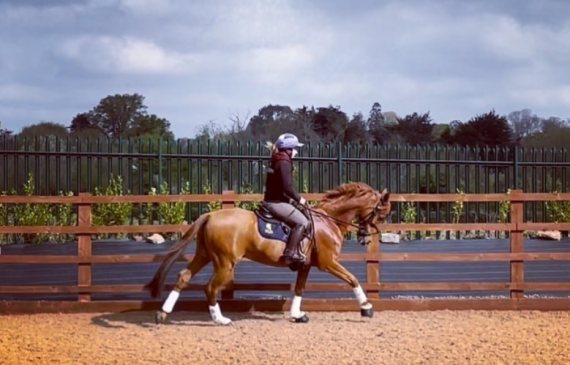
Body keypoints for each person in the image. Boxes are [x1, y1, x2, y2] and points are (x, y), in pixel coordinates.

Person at [263, 133, 310, 266]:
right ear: (288, 149)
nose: (296, 151)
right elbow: (287, 187)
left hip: (277, 199)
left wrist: (291, 201)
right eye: (295, 148)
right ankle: (290, 253)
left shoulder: (277, 159)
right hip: (275, 202)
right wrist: (300, 200)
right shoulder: (284, 162)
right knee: (302, 222)